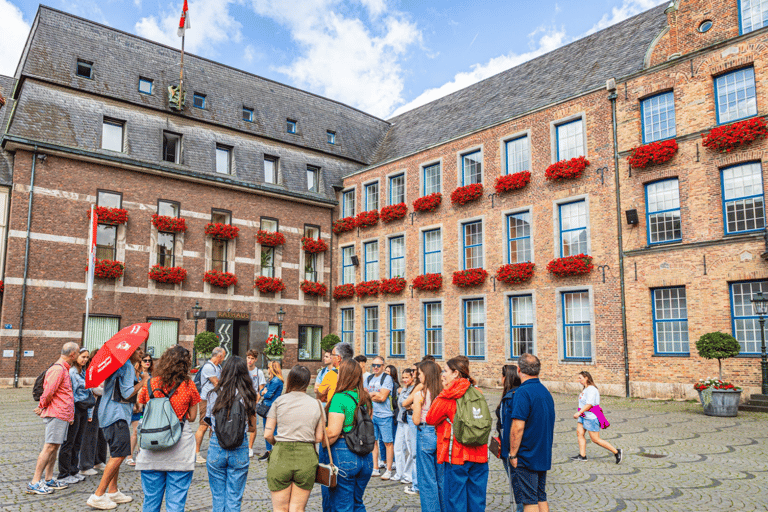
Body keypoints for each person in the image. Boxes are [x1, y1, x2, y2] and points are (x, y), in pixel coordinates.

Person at [135, 345, 200, 512]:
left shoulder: (150, 383)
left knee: (150, 502)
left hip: (152, 446)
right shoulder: (189, 386)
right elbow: (192, 417)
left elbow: (140, 406)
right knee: (176, 504)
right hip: (179, 448)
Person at [87, 344, 149, 510]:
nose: (141, 352)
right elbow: (127, 392)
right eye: (138, 349)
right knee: (120, 454)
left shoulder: (120, 365)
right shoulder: (127, 366)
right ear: (129, 351)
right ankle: (98, 495)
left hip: (110, 414)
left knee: (117, 453)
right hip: (116, 416)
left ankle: (113, 491)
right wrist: (144, 381)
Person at [426, 357, 489, 512]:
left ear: (455, 373)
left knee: (455, 502)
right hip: (480, 453)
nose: (442, 375)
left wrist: (443, 392)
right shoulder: (477, 392)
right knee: (477, 501)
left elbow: (430, 418)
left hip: (457, 455)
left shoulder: (449, 396)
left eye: (445, 371)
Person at [265, 365, 324, 512]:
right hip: (306, 457)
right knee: (297, 508)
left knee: (280, 508)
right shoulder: (317, 404)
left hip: (281, 454)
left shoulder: (279, 402)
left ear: (290, 380)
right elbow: (318, 438)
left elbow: (267, 434)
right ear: (307, 382)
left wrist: (276, 443)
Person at [206, 356, 259, 512]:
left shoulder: (213, 393)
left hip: (217, 444)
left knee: (217, 497)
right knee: (234, 498)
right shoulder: (248, 394)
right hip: (239, 446)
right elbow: (252, 427)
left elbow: (209, 421)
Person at [27, 341, 80, 495]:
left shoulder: (64, 369)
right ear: (73, 354)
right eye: (77, 352)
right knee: (49, 446)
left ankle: (49, 478)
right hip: (56, 414)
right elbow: (49, 391)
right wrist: (42, 405)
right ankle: (35, 482)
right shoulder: (58, 369)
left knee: (55, 446)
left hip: (62, 414)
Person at [508, 354, 556, 512]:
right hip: (542, 452)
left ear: (519, 370)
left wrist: (513, 454)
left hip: (527, 454)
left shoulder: (523, 392)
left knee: (529, 501)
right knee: (540, 496)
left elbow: (518, 426)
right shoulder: (545, 391)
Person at [325, 358, 374, 511]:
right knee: (357, 503)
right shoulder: (365, 397)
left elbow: (333, 432)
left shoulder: (340, 398)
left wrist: (319, 440)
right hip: (366, 456)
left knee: (343, 505)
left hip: (344, 452)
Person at [316, 341, 354, 512]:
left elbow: (319, 393)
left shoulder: (332, 374)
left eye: (332, 355)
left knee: (328, 478)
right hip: (354, 436)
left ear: (338, 358)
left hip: (333, 433)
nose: (330, 357)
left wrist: (322, 442)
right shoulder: (357, 376)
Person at [57, 348, 95, 484]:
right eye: (83, 357)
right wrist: (71, 414)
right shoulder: (72, 373)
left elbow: (89, 394)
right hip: (75, 409)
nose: (85, 360)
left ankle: (74, 470)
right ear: (76, 357)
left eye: (87, 357)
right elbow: (70, 394)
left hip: (84, 409)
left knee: (78, 442)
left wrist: (89, 413)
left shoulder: (84, 373)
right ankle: (63, 473)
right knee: (69, 443)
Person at [571, 371, 623, 464]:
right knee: (579, 433)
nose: (579, 380)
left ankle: (616, 451)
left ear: (586, 378)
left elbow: (589, 404)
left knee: (595, 439)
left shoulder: (591, 389)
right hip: (584, 416)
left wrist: (579, 412)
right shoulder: (585, 389)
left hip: (590, 417)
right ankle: (582, 456)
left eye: (580, 378)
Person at [411, 360, 443, 510]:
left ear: (427, 375)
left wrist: (413, 409)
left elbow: (416, 420)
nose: (418, 377)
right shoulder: (443, 392)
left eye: (420, 374)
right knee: (441, 477)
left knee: (427, 479)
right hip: (441, 433)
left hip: (426, 432)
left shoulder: (421, 394)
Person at [497, 365, 523, 512]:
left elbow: (511, 427)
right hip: (508, 447)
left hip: (511, 449)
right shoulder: (511, 395)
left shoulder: (511, 397)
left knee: (517, 485)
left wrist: (510, 451)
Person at [195, 347, 226, 464]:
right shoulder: (208, 367)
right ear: (219, 356)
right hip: (206, 400)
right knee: (203, 425)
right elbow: (217, 382)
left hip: (215, 400)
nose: (223, 359)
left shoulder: (218, 367)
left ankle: (212, 450)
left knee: (214, 425)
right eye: (223, 356)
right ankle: (197, 453)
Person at [128, 354, 153, 466]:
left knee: (143, 431)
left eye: (149, 360)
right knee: (136, 430)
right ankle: (129, 456)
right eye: (145, 360)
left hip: (147, 407)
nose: (147, 362)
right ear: (140, 362)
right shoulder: (136, 374)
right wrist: (135, 403)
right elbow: (133, 390)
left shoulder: (152, 375)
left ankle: (139, 455)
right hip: (137, 406)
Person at [401, 365, 421, 495]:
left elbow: (404, 403)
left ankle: (416, 485)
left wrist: (413, 405)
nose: (412, 373)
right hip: (414, 419)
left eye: (414, 371)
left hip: (415, 419)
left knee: (415, 453)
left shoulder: (419, 386)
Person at [393, 368, 414, 485]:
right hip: (401, 420)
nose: (405, 380)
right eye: (403, 377)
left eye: (407, 377)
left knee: (410, 448)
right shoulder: (402, 389)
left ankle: (408, 474)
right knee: (398, 447)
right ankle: (400, 473)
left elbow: (409, 404)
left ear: (412, 378)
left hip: (408, 421)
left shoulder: (413, 390)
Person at [258, 360, 284, 460]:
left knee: (273, 430)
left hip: (272, 408)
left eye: (268, 367)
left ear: (272, 369)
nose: (267, 369)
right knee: (267, 430)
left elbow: (268, 394)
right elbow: (261, 392)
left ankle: (276, 451)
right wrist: (263, 392)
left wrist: (264, 392)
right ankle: (269, 451)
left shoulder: (276, 380)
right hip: (267, 408)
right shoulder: (270, 380)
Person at [246, 350, 266, 458]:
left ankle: (250, 447)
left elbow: (261, 389)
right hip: (243, 401)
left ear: (256, 360)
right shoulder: (243, 370)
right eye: (248, 358)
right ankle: (243, 445)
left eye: (252, 358)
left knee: (253, 426)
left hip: (253, 402)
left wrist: (257, 400)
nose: (250, 360)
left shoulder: (259, 372)